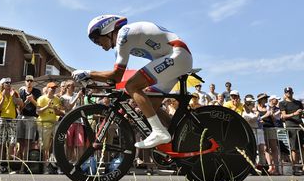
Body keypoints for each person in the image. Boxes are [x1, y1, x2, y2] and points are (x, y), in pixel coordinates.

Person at [72, 15, 192, 148]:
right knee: (150, 106)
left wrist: (88, 73)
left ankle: (159, 132)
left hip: (177, 55)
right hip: (173, 58)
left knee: (132, 85)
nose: (101, 46)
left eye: (98, 41)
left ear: (106, 30)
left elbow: (117, 75)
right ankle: (180, 139)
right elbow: (113, 80)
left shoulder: (124, 34)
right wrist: (91, 80)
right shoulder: (121, 45)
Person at [0, 77, 23, 174]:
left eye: (10, 82)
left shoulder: (14, 93)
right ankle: (3, 166)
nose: (9, 84)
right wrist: (2, 98)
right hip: (2, 119)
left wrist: (13, 97)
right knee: (1, 144)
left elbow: (21, 104)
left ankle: (11, 165)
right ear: (2, 85)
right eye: (7, 83)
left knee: (12, 143)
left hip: (12, 120)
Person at [15, 75, 42, 171]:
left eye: (31, 80)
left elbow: (39, 106)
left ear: (33, 82)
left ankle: (24, 166)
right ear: (25, 82)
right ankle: (20, 164)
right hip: (22, 117)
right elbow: (19, 109)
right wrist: (25, 102)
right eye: (28, 80)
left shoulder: (37, 92)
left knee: (27, 142)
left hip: (32, 118)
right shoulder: (21, 92)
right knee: (20, 142)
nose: (29, 82)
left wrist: (32, 100)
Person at [36, 82, 64, 167]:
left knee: (55, 144)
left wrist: (56, 110)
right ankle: (45, 165)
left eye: (55, 88)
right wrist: (47, 107)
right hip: (43, 124)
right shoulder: (41, 98)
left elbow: (59, 113)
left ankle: (53, 165)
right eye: (52, 88)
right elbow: (38, 112)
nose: (53, 89)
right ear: (47, 88)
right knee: (45, 146)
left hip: (54, 124)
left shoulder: (57, 99)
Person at [279, 87, 304, 176]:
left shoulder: (298, 102)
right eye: (287, 92)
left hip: (300, 125)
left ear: (292, 92)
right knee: (294, 148)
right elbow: (284, 116)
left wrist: (301, 113)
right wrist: (294, 114)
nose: (289, 93)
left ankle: (302, 166)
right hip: (291, 126)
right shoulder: (282, 103)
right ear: (285, 93)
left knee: (302, 146)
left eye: (290, 92)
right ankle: (295, 167)